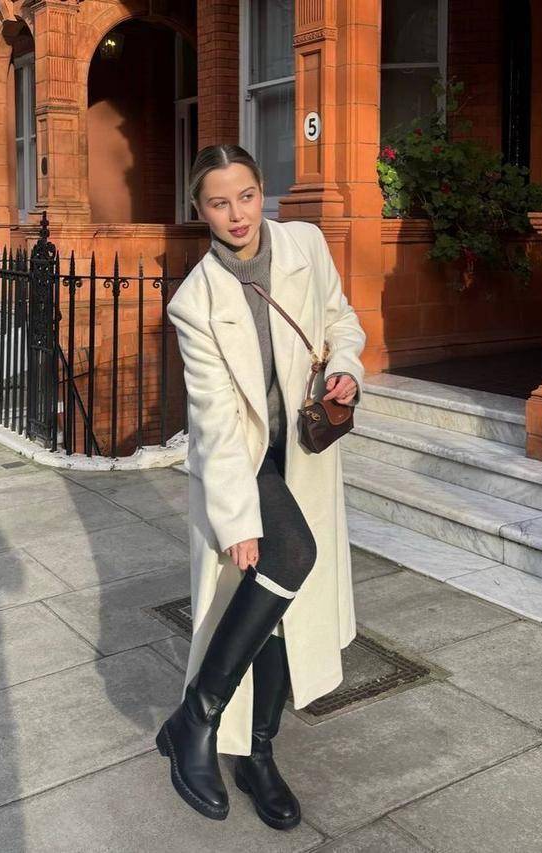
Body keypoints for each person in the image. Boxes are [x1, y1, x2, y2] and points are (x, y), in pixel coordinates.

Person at [156, 144, 366, 830]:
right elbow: (215, 421)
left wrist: (346, 366)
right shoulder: (195, 301)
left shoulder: (305, 244)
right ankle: (197, 718)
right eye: (219, 202)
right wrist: (238, 518)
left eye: (245, 196)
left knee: (280, 601)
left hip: (300, 450)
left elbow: (340, 318)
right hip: (244, 460)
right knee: (289, 555)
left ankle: (256, 753)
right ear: (199, 209)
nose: (237, 214)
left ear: (261, 189)